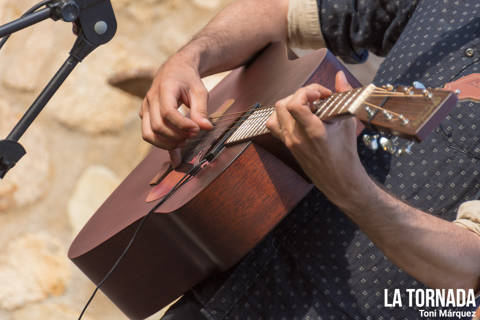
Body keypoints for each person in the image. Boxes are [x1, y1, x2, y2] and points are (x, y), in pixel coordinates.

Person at [140, 0, 480, 318]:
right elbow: (283, 10)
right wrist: (188, 58)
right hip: (227, 291)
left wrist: (350, 188)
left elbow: (471, 267)